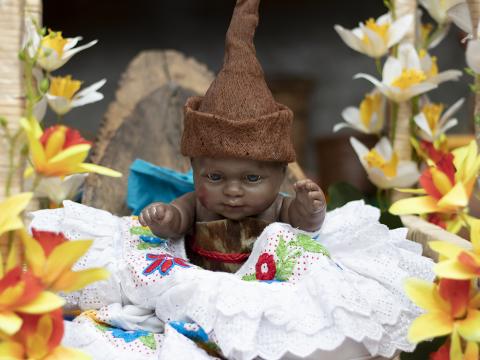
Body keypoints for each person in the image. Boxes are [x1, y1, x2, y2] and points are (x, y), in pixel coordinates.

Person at [30, 0, 434, 358]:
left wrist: (308, 209)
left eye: (252, 177)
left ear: (280, 175)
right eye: (216, 176)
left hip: (262, 287)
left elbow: (303, 226)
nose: (233, 190)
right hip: (204, 282)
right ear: (194, 170)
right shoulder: (200, 202)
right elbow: (178, 220)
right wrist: (165, 218)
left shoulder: (278, 205)